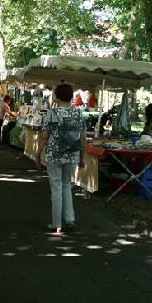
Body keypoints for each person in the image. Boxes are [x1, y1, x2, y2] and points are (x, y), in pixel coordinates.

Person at [36, 83, 86, 235]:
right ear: (71, 97)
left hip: (54, 154)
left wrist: (38, 154)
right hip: (72, 154)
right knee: (66, 186)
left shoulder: (51, 114)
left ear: (56, 96)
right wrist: (82, 158)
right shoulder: (78, 114)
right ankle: (70, 219)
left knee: (56, 187)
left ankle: (56, 223)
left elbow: (44, 136)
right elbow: (83, 138)